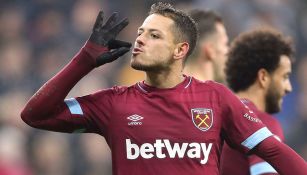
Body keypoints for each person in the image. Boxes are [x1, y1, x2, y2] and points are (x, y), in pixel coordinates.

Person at [20, 2, 307, 175]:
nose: (141, 40)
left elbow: (272, 150)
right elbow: (35, 115)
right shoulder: (114, 103)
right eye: (140, 33)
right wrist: (85, 60)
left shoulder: (215, 98)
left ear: (180, 50)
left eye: (154, 35)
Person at [220, 29, 295, 175]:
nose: (289, 88)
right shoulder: (260, 123)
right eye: (285, 77)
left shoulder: (216, 118)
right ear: (263, 77)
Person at [183, 9, 228, 84]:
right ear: (211, 50)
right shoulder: (216, 95)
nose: (228, 51)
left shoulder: (164, 90)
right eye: (225, 44)